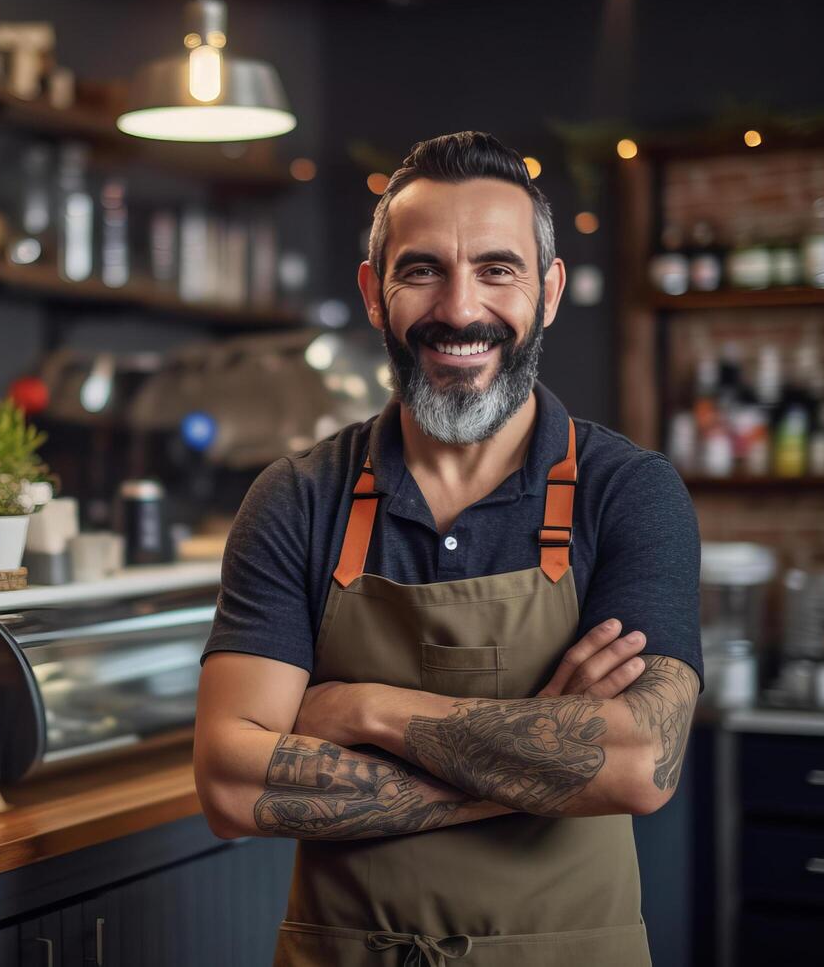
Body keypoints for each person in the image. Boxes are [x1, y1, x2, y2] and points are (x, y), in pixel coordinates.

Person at [193, 131, 701, 966]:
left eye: (496, 269)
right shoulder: (296, 498)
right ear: (372, 290)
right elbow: (231, 785)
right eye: (421, 269)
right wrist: (544, 755)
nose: (459, 310)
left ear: (547, 292)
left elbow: (640, 761)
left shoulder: (629, 491)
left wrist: (362, 710)